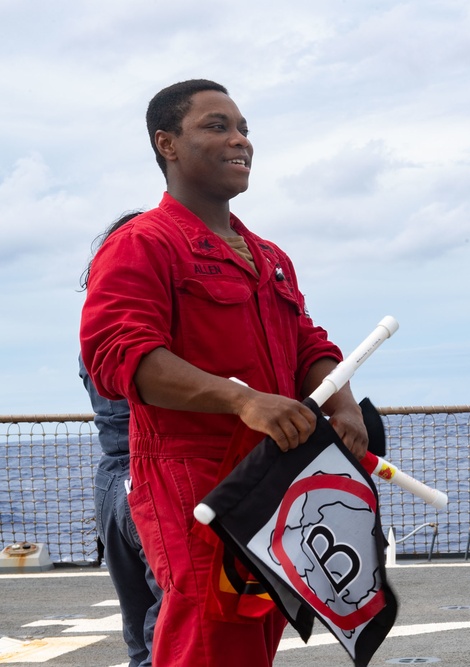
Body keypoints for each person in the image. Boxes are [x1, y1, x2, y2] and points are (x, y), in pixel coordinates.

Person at [79, 79, 368, 667]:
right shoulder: (142, 244)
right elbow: (117, 353)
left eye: (244, 129)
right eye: (217, 126)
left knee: (257, 627)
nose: (240, 140)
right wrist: (243, 402)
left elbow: (307, 340)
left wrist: (342, 403)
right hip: (191, 478)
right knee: (209, 634)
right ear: (167, 144)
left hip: (276, 473)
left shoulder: (269, 256)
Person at [78, 213, 161, 667]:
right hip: (153, 474)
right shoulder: (148, 336)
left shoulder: (93, 336)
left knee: (138, 635)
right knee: (171, 626)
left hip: (110, 481)